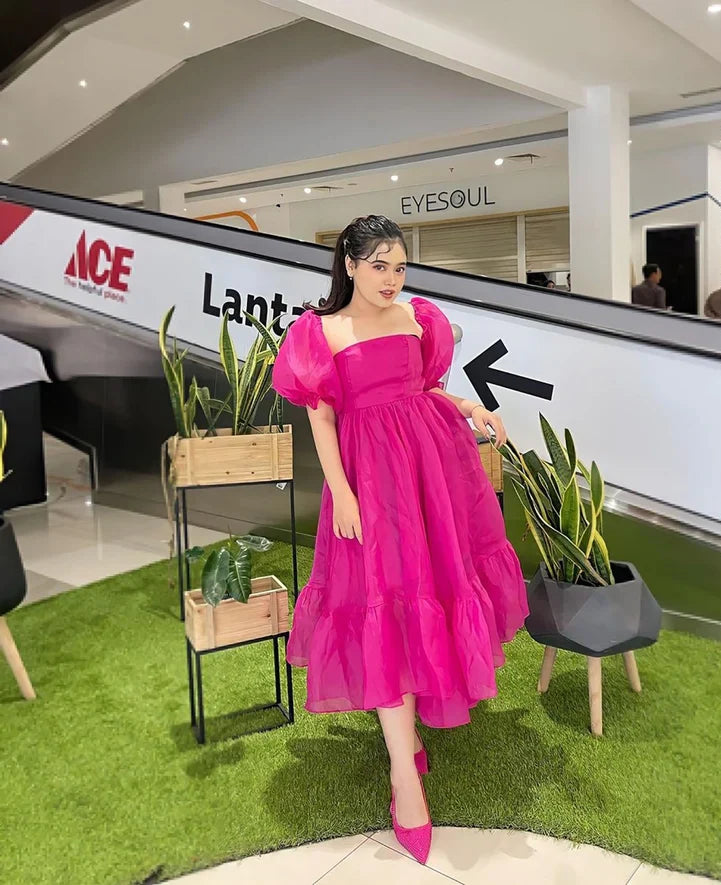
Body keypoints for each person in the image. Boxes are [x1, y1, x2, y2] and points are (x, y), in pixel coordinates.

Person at [272, 215, 527, 864]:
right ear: (350, 264)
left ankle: (409, 742)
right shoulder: (320, 331)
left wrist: (469, 407)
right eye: (379, 265)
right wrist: (343, 493)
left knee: (426, 599)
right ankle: (403, 776)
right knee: (384, 606)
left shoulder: (419, 318)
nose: (392, 279)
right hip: (369, 480)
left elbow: (427, 388)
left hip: (432, 470)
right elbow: (322, 419)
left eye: (400, 266)